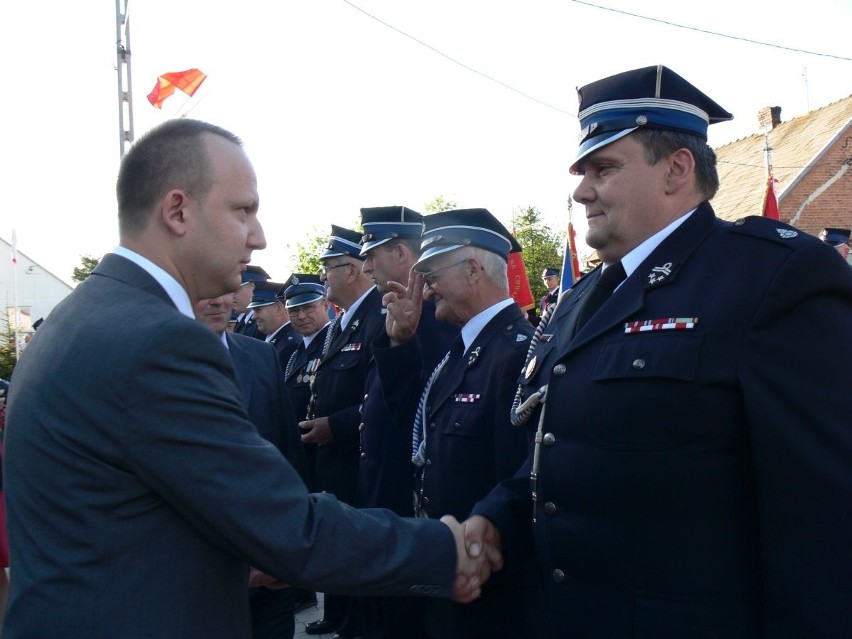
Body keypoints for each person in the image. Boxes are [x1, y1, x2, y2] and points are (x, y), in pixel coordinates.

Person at [2, 118, 492, 639]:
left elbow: (127, 529)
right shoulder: (158, 341)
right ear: (177, 211)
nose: (258, 237)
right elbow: (287, 526)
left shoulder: (81, 318)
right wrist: (446, 550)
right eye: (243, 211)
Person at [462, 65, 852, 637]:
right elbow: (560, 446)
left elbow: (825, 518)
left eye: (604, 168)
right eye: (582, 171)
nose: (581, 190)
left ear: (676, 169)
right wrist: (497, 520)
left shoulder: (771, 277)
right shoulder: (579, 301)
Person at [379, 208, 537, 639]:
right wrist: (399, 344)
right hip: (454, 569)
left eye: (431, 275)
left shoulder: (518, 352)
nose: (425, 291)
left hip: (491, 582)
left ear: (472, 270)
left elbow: (523, 476)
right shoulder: (464, 349)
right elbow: (417, 431)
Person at [356, 205, 459, 639]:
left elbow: (423, 413)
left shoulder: (436, 318)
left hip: (408, 499)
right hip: (383, 491)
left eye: (372, 253)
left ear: (400, 252)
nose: (365, 265)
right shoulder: (395, 314)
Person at [195, 292, 307, 639]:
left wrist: (292, 540)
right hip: (202, 573)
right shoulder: (154, 361)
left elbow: (288, 453)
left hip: (270, 560)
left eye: (224, 289)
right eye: (204, 290)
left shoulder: (261, 355)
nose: (215, 300)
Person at [298, 225, 386, 638]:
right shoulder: (344, 323)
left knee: (356, 554)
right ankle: (339, 615)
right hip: (333, 462)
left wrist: (334, 425)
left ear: (352, 270)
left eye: (329, 268)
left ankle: (352, 621)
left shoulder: (377, 318)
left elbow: (382, 400)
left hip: (357, 462)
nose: (323, 277)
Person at [246, 279, 301, 365]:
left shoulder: (290, 345)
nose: (254, 317)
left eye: (258, 310)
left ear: (279, 308)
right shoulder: (277, 341)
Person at [233, 265, 269, 338]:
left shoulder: (263, 324)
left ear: (254, 289)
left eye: (236, 289)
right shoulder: (242, 321)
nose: (232, 295)